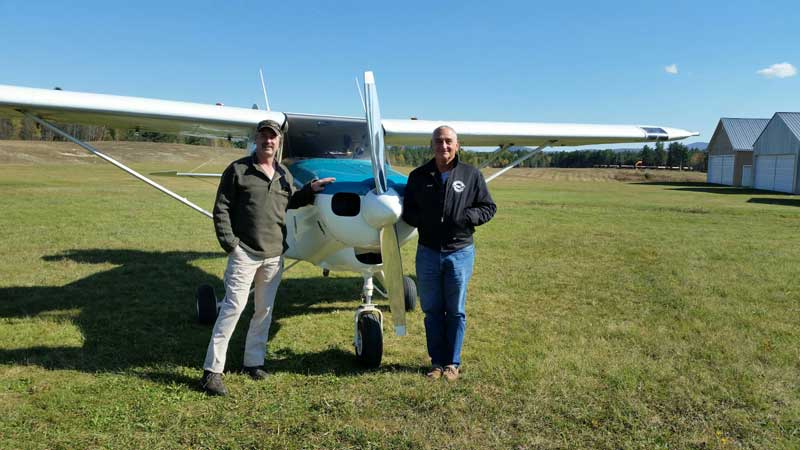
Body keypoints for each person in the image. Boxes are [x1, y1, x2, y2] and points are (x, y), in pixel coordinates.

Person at [201, 119, 334, 396]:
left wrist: (310, 190)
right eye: (263, 136)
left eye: (272, 137)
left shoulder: (283, 173)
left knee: (264, 311)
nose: (268, 141)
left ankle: (253, 362)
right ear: (256, 139)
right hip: (245, 253)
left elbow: (291, 201)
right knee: (232, 309)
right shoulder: (238, 170)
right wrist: (231, 245)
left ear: (278, 141)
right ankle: (212, 372)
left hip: (274, 255)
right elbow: (221, 209)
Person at [401, 125, 496, 382]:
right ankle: (436, 362)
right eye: (438, 142)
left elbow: (488, 207)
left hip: (460, 252)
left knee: (455, 310)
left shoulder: (471, 174)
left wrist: (466, 218)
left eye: (448, 142)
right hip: (428, 252)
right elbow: (407, 210)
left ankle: (452, 363)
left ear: (457, 145)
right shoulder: (418, 176)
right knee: (431, 310)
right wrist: (425, 219)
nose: (443, 146)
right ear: (432, 145)